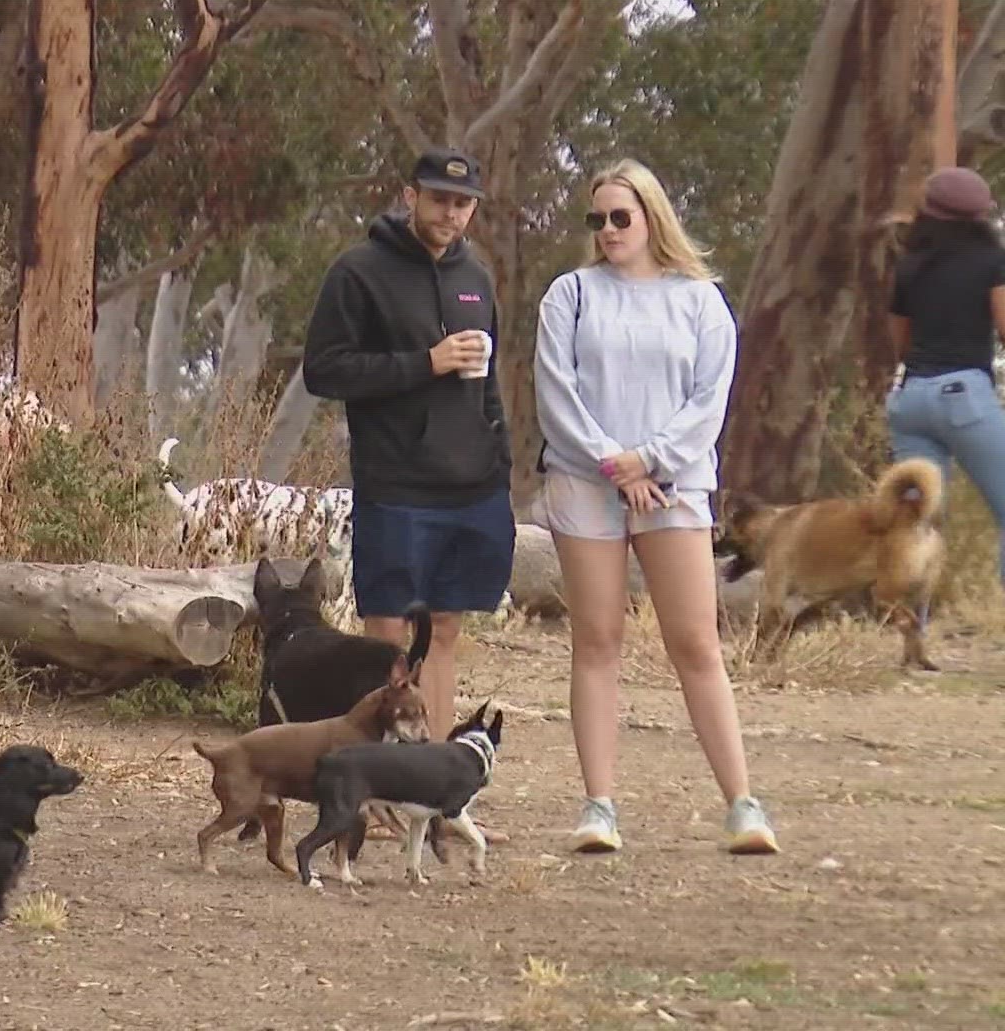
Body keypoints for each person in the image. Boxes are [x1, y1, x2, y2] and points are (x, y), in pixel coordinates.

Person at [532, 158, 777, 856]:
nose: (608, 230)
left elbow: (710, 397)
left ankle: (742, 803)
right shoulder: (570, 295)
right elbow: (557, 394)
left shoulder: (699, 300)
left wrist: (652, 461)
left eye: (621, 217)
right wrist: (615, 464)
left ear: (650, 218)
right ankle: (599, 806)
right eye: (598, 219)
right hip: (586, 483)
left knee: (695, 643)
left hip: (674, 484)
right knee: (598, 638)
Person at [302, 146, 516, 844]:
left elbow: (488, 384)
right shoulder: (358, 271)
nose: (450, 214)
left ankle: (435, 787)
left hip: (470, 485)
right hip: (394, 479)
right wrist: (423, 363)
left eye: (462, 203)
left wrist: (498, 459)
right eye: (438, 199)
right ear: (409, 196)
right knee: (388, 641)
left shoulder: (476, 277)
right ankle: (370, 790)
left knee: (446, 631)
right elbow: (324, 369)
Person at [885, 166, 1005, 588]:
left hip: (910, 398)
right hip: (965, 397)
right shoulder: (993, 261)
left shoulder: (909, 266)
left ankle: (908, 629)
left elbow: (900, 343)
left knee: (916, 524)